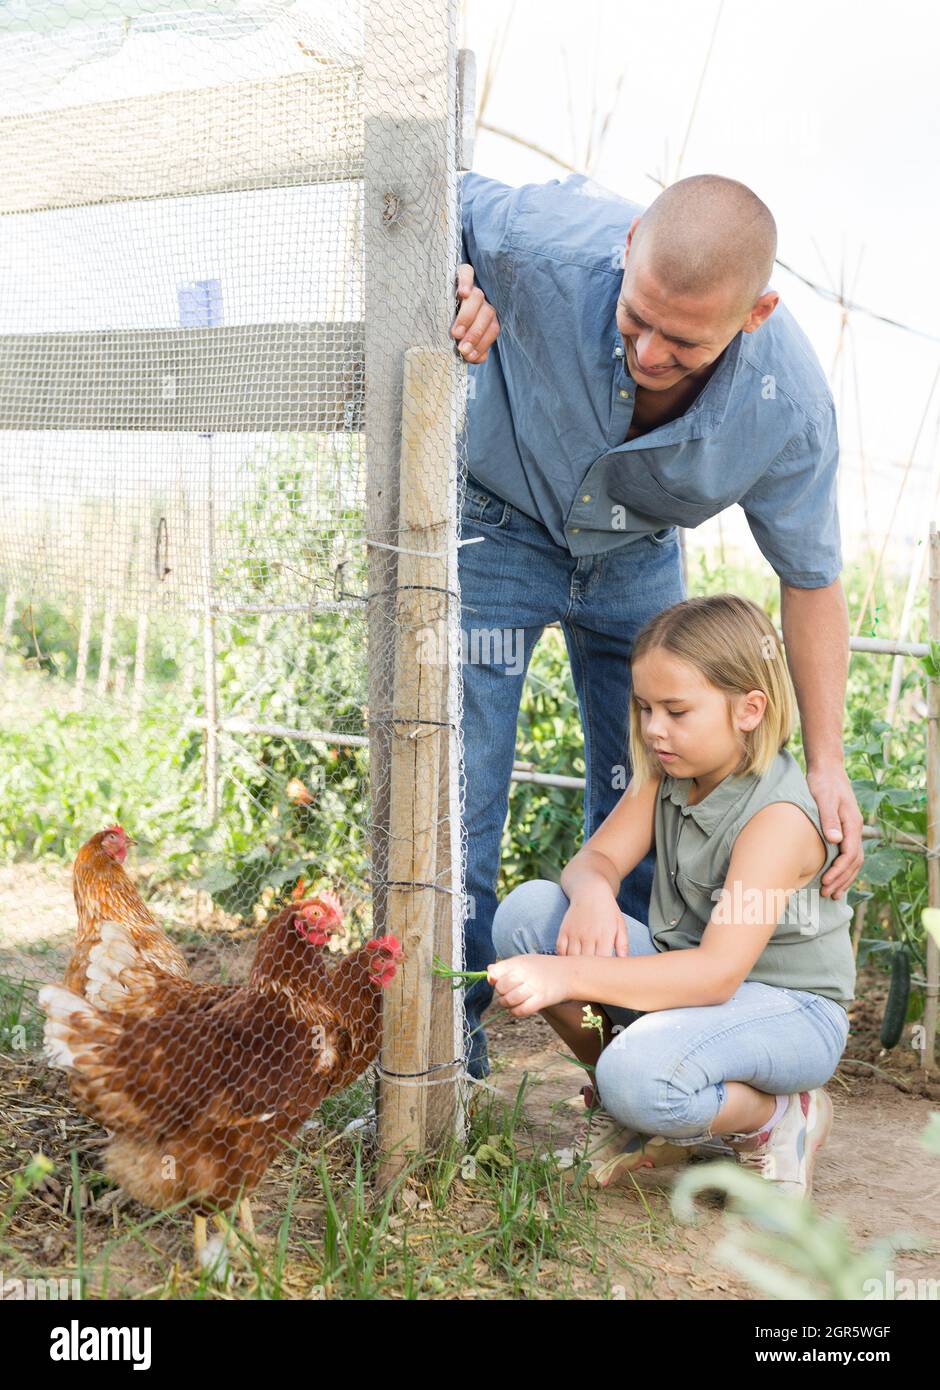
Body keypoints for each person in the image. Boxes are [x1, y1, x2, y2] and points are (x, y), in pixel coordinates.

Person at [451, 169, 863, 1081]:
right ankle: (447, 1050)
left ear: (754, 316)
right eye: (637, 319)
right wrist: (450, 281)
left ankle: (649, 1056)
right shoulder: (540, 240)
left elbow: (811, 579)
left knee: (653, 776)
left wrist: (826, 758)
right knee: (461, 790)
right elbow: (428, 194)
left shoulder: (786, 409)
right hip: (499, 524)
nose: (648, 353)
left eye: (685, 342)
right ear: (629, 244)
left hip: (636, 550)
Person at [487, 594, 855, 1199]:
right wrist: (596, 895)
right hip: (690, 983)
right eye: (645, 707)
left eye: (677, 711)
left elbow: (714, 975)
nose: (654, 728)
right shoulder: (667, 772)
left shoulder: (778, 821)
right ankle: (640, 1113)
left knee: (636, 1072)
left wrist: (566, 973)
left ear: (749, 709)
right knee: (530, 913)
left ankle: (775, 1118)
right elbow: (595, 860)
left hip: (788, 1012)